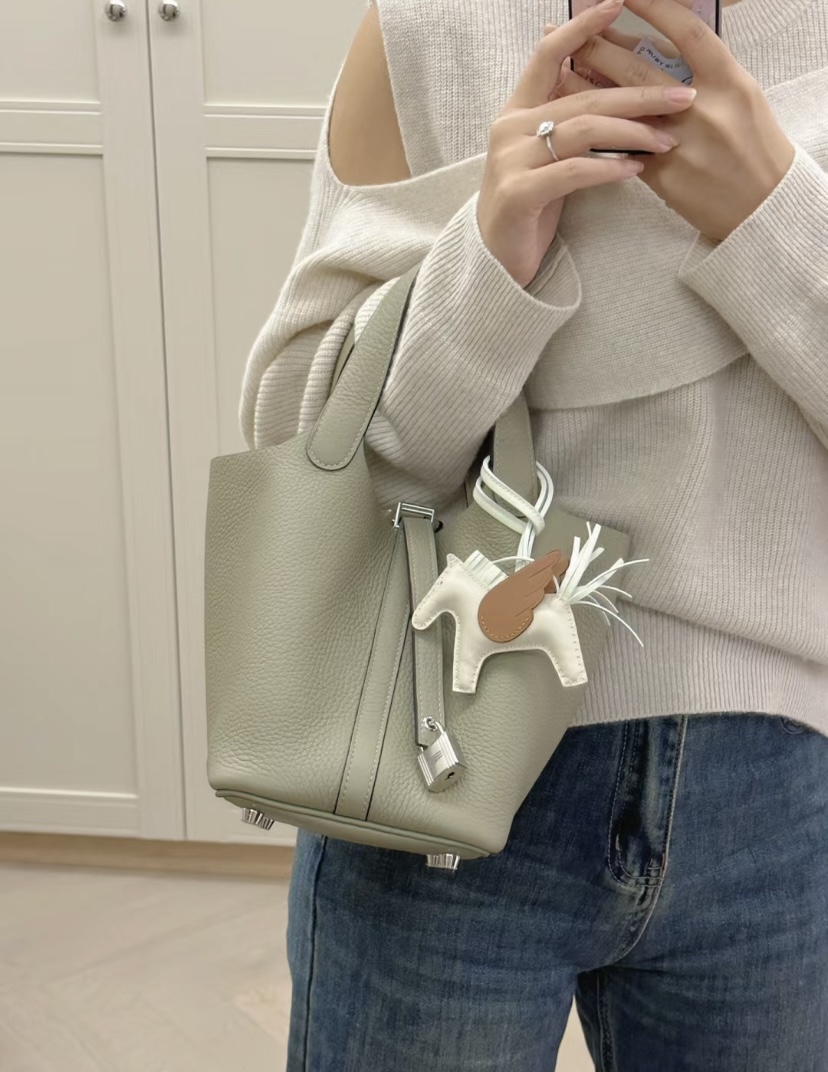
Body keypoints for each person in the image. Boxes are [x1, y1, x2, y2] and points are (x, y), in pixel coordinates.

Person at [240, 0, 828, 1067]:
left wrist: (769, 216)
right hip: (433, 750)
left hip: (787, 789)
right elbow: (298, 439)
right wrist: (488, 265)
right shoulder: (428, 25)